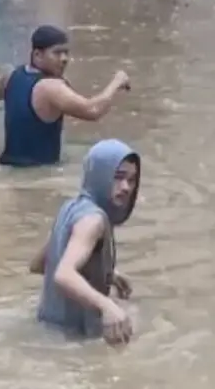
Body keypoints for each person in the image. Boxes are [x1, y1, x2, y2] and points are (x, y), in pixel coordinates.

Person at [30, 138, 140, 345]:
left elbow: (39, 264)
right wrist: (107, 306)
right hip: (72, 342)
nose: (126, 187)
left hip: (45, 332)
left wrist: (104, 273)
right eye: (118, 177)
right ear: (100, 176)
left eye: (132, 180)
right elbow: (63, 275)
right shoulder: (93, 221)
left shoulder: (70, 208)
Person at [0, 25, 131, 167]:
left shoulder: (12, 76)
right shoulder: (51, 88)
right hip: (39, 177)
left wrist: (6, 82)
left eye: (66, 53)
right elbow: (93, 111)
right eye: (57, 53)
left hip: (7, 167)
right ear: (37, 55)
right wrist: (117, 82)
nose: (64, 59)